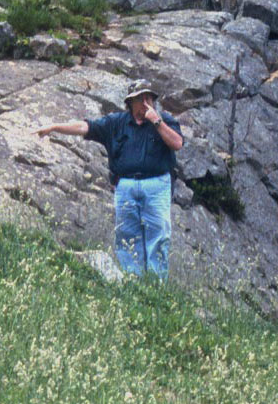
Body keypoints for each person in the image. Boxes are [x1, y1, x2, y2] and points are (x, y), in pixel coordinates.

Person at [35, 80, 184, 280]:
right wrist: (54, 127)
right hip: (125, 187)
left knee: (158, 236)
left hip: (157, 185)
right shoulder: (116, 123)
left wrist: (156, 121)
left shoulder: (164, 121)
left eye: (150, 98)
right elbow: (84, 127)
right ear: (130, 103)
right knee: (127, 236)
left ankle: (157, 286)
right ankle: (134, 282)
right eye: (141, 99)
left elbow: (177, 143)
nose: (147, 102)